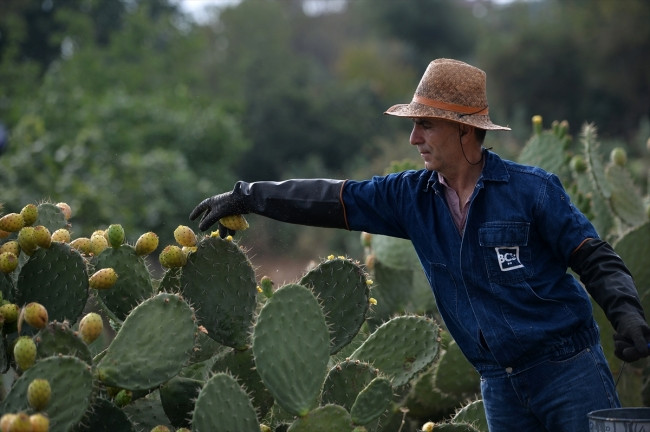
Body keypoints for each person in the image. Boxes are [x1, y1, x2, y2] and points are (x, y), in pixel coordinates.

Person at [190, 58, 650, 431]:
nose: (414, 138)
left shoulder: (533, 190)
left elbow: (591, 254)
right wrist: (250, 195)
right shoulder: (409, 197)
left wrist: (625, 311)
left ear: (465, 130)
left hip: (567, 372)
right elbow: (331, 197)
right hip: (499, 385)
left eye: (426, 125)